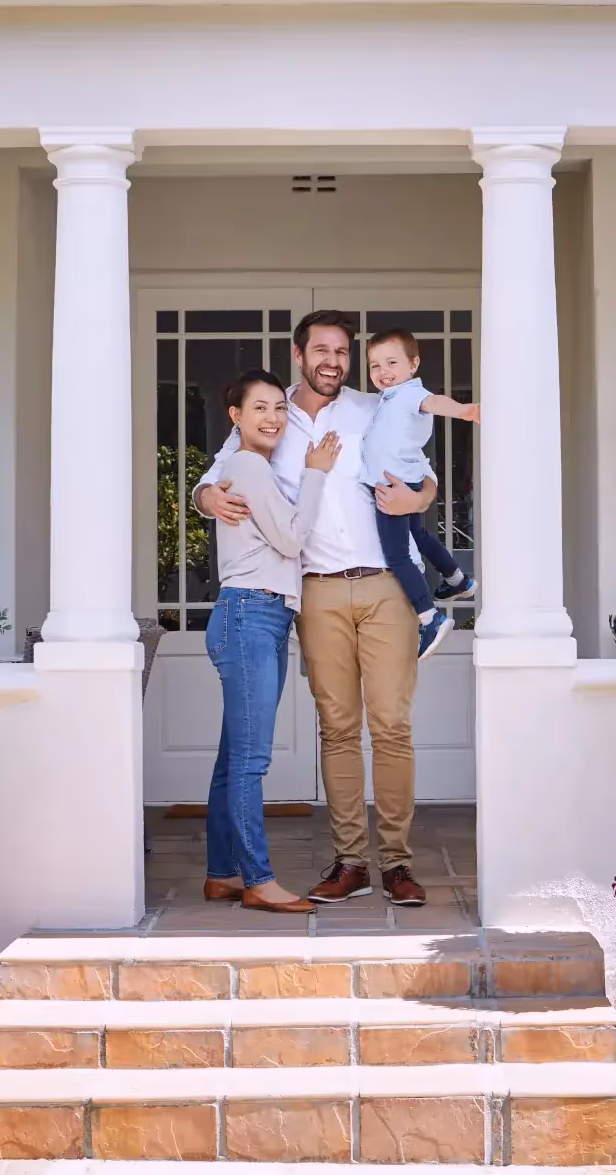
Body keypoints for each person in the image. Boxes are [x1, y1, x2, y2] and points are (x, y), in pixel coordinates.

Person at [196, 311, 437, 908]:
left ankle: (398, 863)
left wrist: (418, 496)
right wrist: (207, 497)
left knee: (392, 727)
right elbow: (214, 480)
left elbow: (424, 478)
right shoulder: (270, 418)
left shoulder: (373, 409)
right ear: (298, 355)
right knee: (337, 729)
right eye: (322, 350)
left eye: (343, 352)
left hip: (384, 584)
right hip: (317, 589)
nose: (334, 361)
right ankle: (350, 861)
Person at [203, 368, 342, 915]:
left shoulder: (247, 468)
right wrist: (314, 474)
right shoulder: (246, 465)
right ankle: (258, 879)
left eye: (279, 408)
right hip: (250, 615)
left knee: (231, 759)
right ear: (235, 417)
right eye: (259, 407)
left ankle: (222, 874)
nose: (272, 417)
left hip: (255, 616)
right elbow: (290, 537)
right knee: (251, 761)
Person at [363, 327, 480, 660]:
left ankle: (429, 618)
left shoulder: (411, 394)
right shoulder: (389, 399)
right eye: (375, 366)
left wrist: (463, 410)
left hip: (394, 487)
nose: (382, 372)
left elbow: (434, 402)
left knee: (397, 555)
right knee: (420, 534)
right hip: (405, 480)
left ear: (413, 365)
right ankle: (458, 580)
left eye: (391, 363)